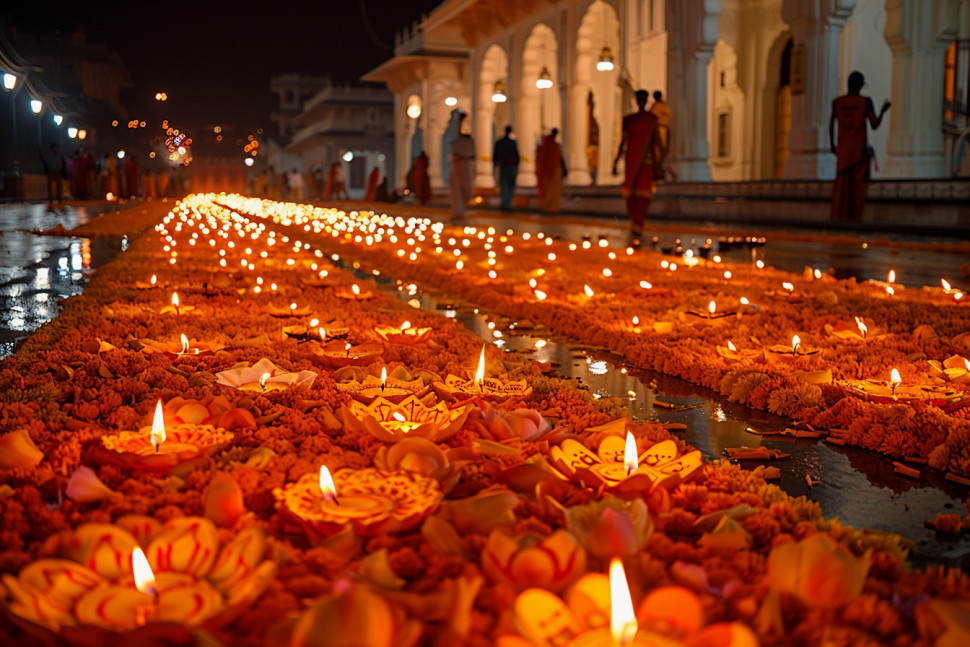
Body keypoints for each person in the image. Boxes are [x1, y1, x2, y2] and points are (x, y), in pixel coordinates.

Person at [829, 71, 890, 221]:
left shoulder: (838, 103)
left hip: (843, 153)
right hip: (858, 155)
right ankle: (855, 219)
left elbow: (831, 126)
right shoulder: (865, 102)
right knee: (858, 191)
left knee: (842, 190)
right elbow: (874, 124)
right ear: (860, 85)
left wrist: (833, 145)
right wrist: (882, 111)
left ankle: (839, 218)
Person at [613, 89, 664, 243]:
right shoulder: (629, 120)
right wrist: (616, 160)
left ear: (646, 100)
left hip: (646, 162)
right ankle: (635, 222)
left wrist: (659, 164)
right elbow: (623, 142)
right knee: (631, 195)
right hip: (632, 160)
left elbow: (659, 144)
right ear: (636, 100)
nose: (641, 100)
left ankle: (638, 223)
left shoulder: (652, 120)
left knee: (643, 195)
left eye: (643, 98)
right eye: (639, 98)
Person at [448, 112, 475, 220]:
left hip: (466, 167)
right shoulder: (457, 141)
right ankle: (458, 213)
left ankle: (460, 211)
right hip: (457, 167)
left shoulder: (470, 143)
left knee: (466, 191)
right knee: (457, 192)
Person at [536, 128, 565, 213]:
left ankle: (553, 206)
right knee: (551, 189)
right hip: (551, 171)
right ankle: (550, 205)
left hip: (554, 170)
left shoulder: (552, 145)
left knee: (553, 189)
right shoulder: (549, 145)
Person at [493, 125, 519, 212]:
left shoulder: (500, 142)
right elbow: (517, 155)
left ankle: (505, 204)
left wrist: (495, 166)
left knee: (504, 186)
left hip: (504, 166)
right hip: (511, 166)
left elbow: (495, 156)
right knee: (510, 187)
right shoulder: (512, 143)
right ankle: (507, 205)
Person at [649, 90, 671, 155]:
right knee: (664, 149)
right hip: (665, 129)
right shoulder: (666, 106)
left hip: (657, 130)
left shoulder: (655, 106)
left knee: (657, 150)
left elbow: (652, 119)